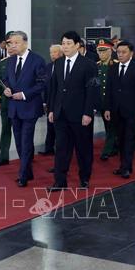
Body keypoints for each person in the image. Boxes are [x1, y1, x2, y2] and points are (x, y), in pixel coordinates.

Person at [47, 31, 98, 191]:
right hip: (61, 114)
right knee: (61, 148)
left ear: (77, 45)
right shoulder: (59, 63)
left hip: (80, 114)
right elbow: (54, 88)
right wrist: (51, 109)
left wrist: (88, 112)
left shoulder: (89, 64)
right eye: (63, 43)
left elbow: (92, 90)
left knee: (83, 148)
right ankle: (60, 181)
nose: (65, 46)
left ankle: (84, 178)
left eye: (69, 43)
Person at [2, 31, 47, 187]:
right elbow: (7, 79)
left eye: (16, 42)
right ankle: (27, 171)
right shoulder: (10, 60)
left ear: (25, 43)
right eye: (11, 43)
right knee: (19, 143)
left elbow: (42, 83)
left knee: (26, 141)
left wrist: (24, 94)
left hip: (29, 107)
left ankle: (23, 175)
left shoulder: (37, 60)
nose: (13, 45)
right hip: (14, 108)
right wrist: (7, 89)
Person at [104, 41, 135, 179]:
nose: (120, 55)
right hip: (116, 110)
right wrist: (107, 108)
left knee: (128, 140)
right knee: (120, 139)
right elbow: (108, 90)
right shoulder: (113, 68)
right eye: (119, 52)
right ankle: (124, 166)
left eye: (124, 52)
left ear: (131, 53)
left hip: (132, 111)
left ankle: (126, 167)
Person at [0, 33, 15, 166]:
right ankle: (3, 156)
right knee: (5, 129)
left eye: (13, 43)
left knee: (22, 132)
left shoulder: (27, 61)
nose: (10, 47)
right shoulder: (2, 63)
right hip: (6, 103)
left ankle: (26, 156)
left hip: (21, 102)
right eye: (8, 44)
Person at [95, 38, 118, 161]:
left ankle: (107, 150)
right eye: (99, 51)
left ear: (110, 51)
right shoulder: (97, 66)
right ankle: (114, 147)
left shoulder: (115, 65)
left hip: (114, 103)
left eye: (104, 51)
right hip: (102, 102)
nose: (101, 54)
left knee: (112, 127)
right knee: (108, 126)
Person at [39, 44, 63, 156]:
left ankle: (60, 150)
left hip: (60, 102)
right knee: (50, 125)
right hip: (49, 101)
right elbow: (45, 85)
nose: (52, 55)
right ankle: (48, 148)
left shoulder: (63, 66)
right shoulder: (48, 67)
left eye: (55, 52)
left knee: (58, 127)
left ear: (61, 53)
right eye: (51, 53)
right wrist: (44, 101)